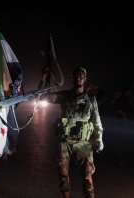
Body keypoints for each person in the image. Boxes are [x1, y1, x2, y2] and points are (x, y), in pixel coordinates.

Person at [39, 66, 104, 198]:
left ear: (85, 79)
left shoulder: (91, 100)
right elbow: (42, 97)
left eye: (81, 75)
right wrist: (44, 78)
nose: (78, 77)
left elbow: (97, 122)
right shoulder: (64, 96)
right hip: (65, 141)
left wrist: (99, 139)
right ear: (72, 78)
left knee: (87, 177)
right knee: (63, 176)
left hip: (83, 142)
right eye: (76, 75)